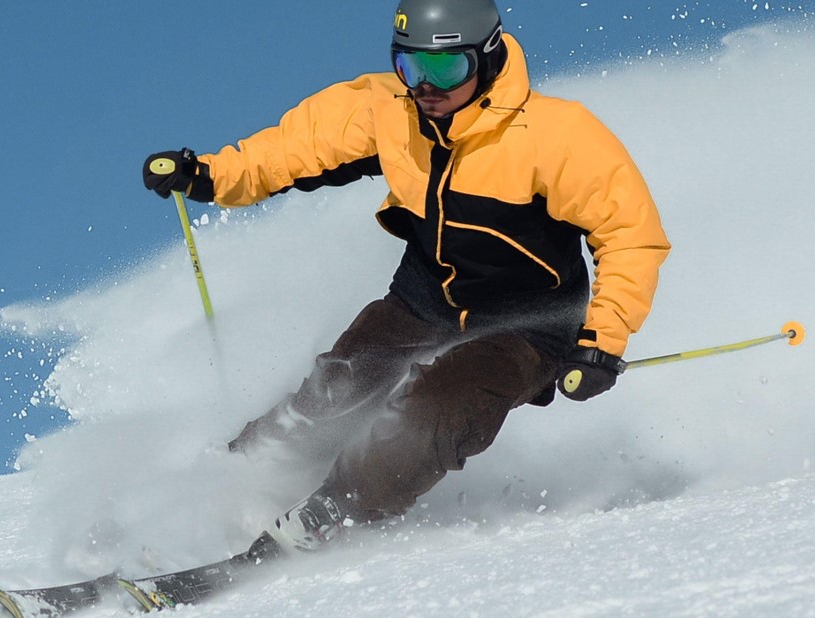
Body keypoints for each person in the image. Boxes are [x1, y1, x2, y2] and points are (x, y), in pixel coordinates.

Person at [143, 0, 670, 559]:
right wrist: (212, 174)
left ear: (486, 59)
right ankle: (226, 483)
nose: (425, 87)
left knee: (432, 411)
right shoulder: (390, 112)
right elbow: (293, 149)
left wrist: (602, 344)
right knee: (335, 390)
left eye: (444, 70)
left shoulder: (555, 135)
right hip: (426, 298)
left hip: (526, 327)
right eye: (410, 68)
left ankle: (334, 511)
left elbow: (631, 235)